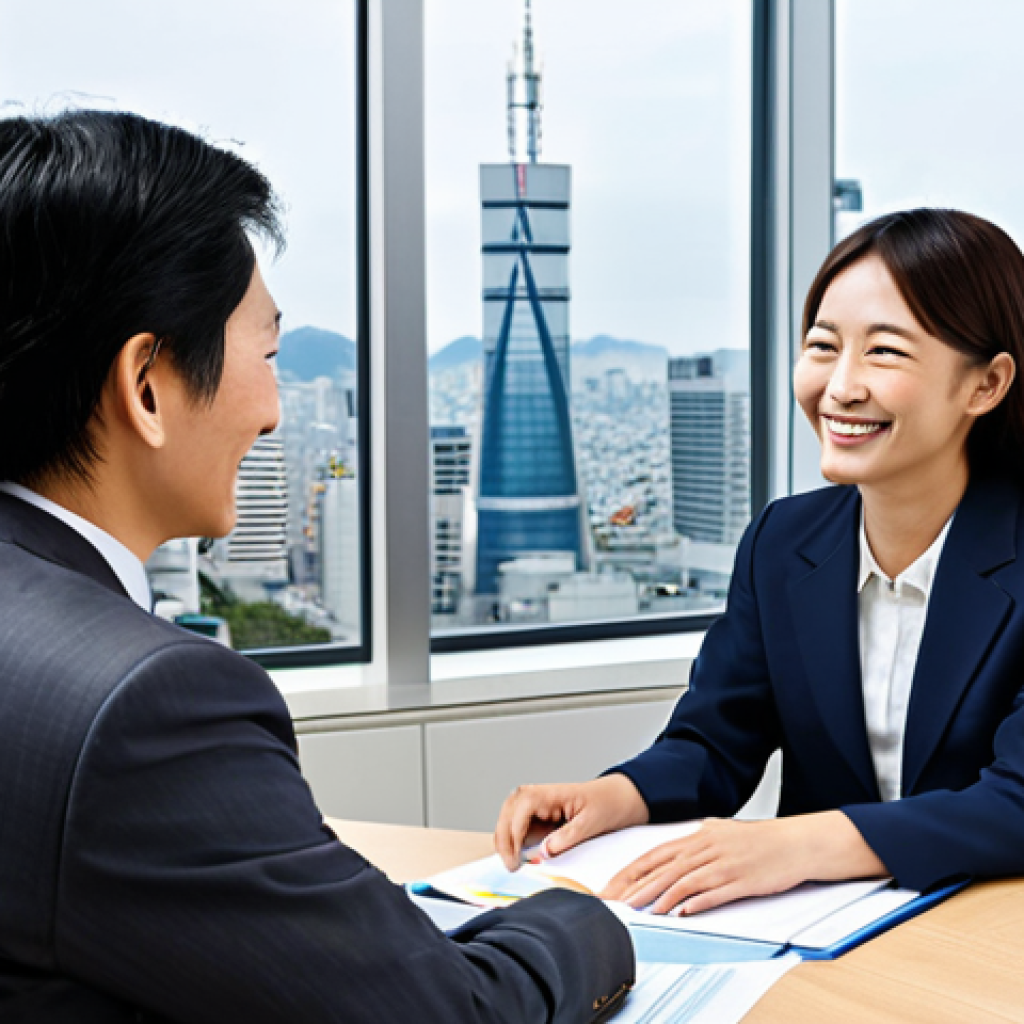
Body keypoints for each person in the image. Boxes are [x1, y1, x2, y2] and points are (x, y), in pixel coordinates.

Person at [0, 110, 633, 1023]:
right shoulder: (140, 709)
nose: (274, 411)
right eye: (269, 353)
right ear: (146, 386)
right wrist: (583, 918)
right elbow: (452, 1015)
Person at [496, 208, 1024, 917]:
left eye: (885, 353)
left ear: (985, 385)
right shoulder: (784, 542)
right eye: (823, 346)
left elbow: (1014, 801)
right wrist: (612, 797)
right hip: (816, 937)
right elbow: (716, 740)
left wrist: (798, 845)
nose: (840, 387)